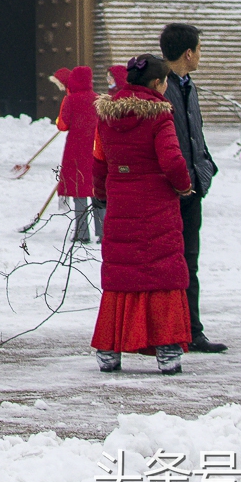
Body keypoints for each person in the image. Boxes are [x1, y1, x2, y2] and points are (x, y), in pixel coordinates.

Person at [90, 53, 194, 375]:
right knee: (161, 273)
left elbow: (99, 161)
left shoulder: (107, 115)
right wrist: (184, 186)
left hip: (121, 200)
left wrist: (104, 194)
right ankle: (166, 349)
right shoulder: (160, 116)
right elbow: (173, 162)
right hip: (156, 204)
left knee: (122, 274)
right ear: (158, 83)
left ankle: (109, 350)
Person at [159, 23, 225, 354]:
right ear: (189, 53)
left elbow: (194, 135)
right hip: (170, 191)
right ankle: (173, 330)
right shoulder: (159, 88)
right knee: (170, 263)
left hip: (192, 187)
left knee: (190, 262)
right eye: (199, 49)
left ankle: (191, 329)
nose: (200, 55)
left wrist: (205, 168)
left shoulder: (188, 87)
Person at [52, 66, 102, 243]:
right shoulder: (98, 100)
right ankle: (102, 232)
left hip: (76, 150)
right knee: (97, 191)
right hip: (97, 149)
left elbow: (63, 125)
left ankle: (82, 232)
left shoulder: (70, 100)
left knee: (79, 192)